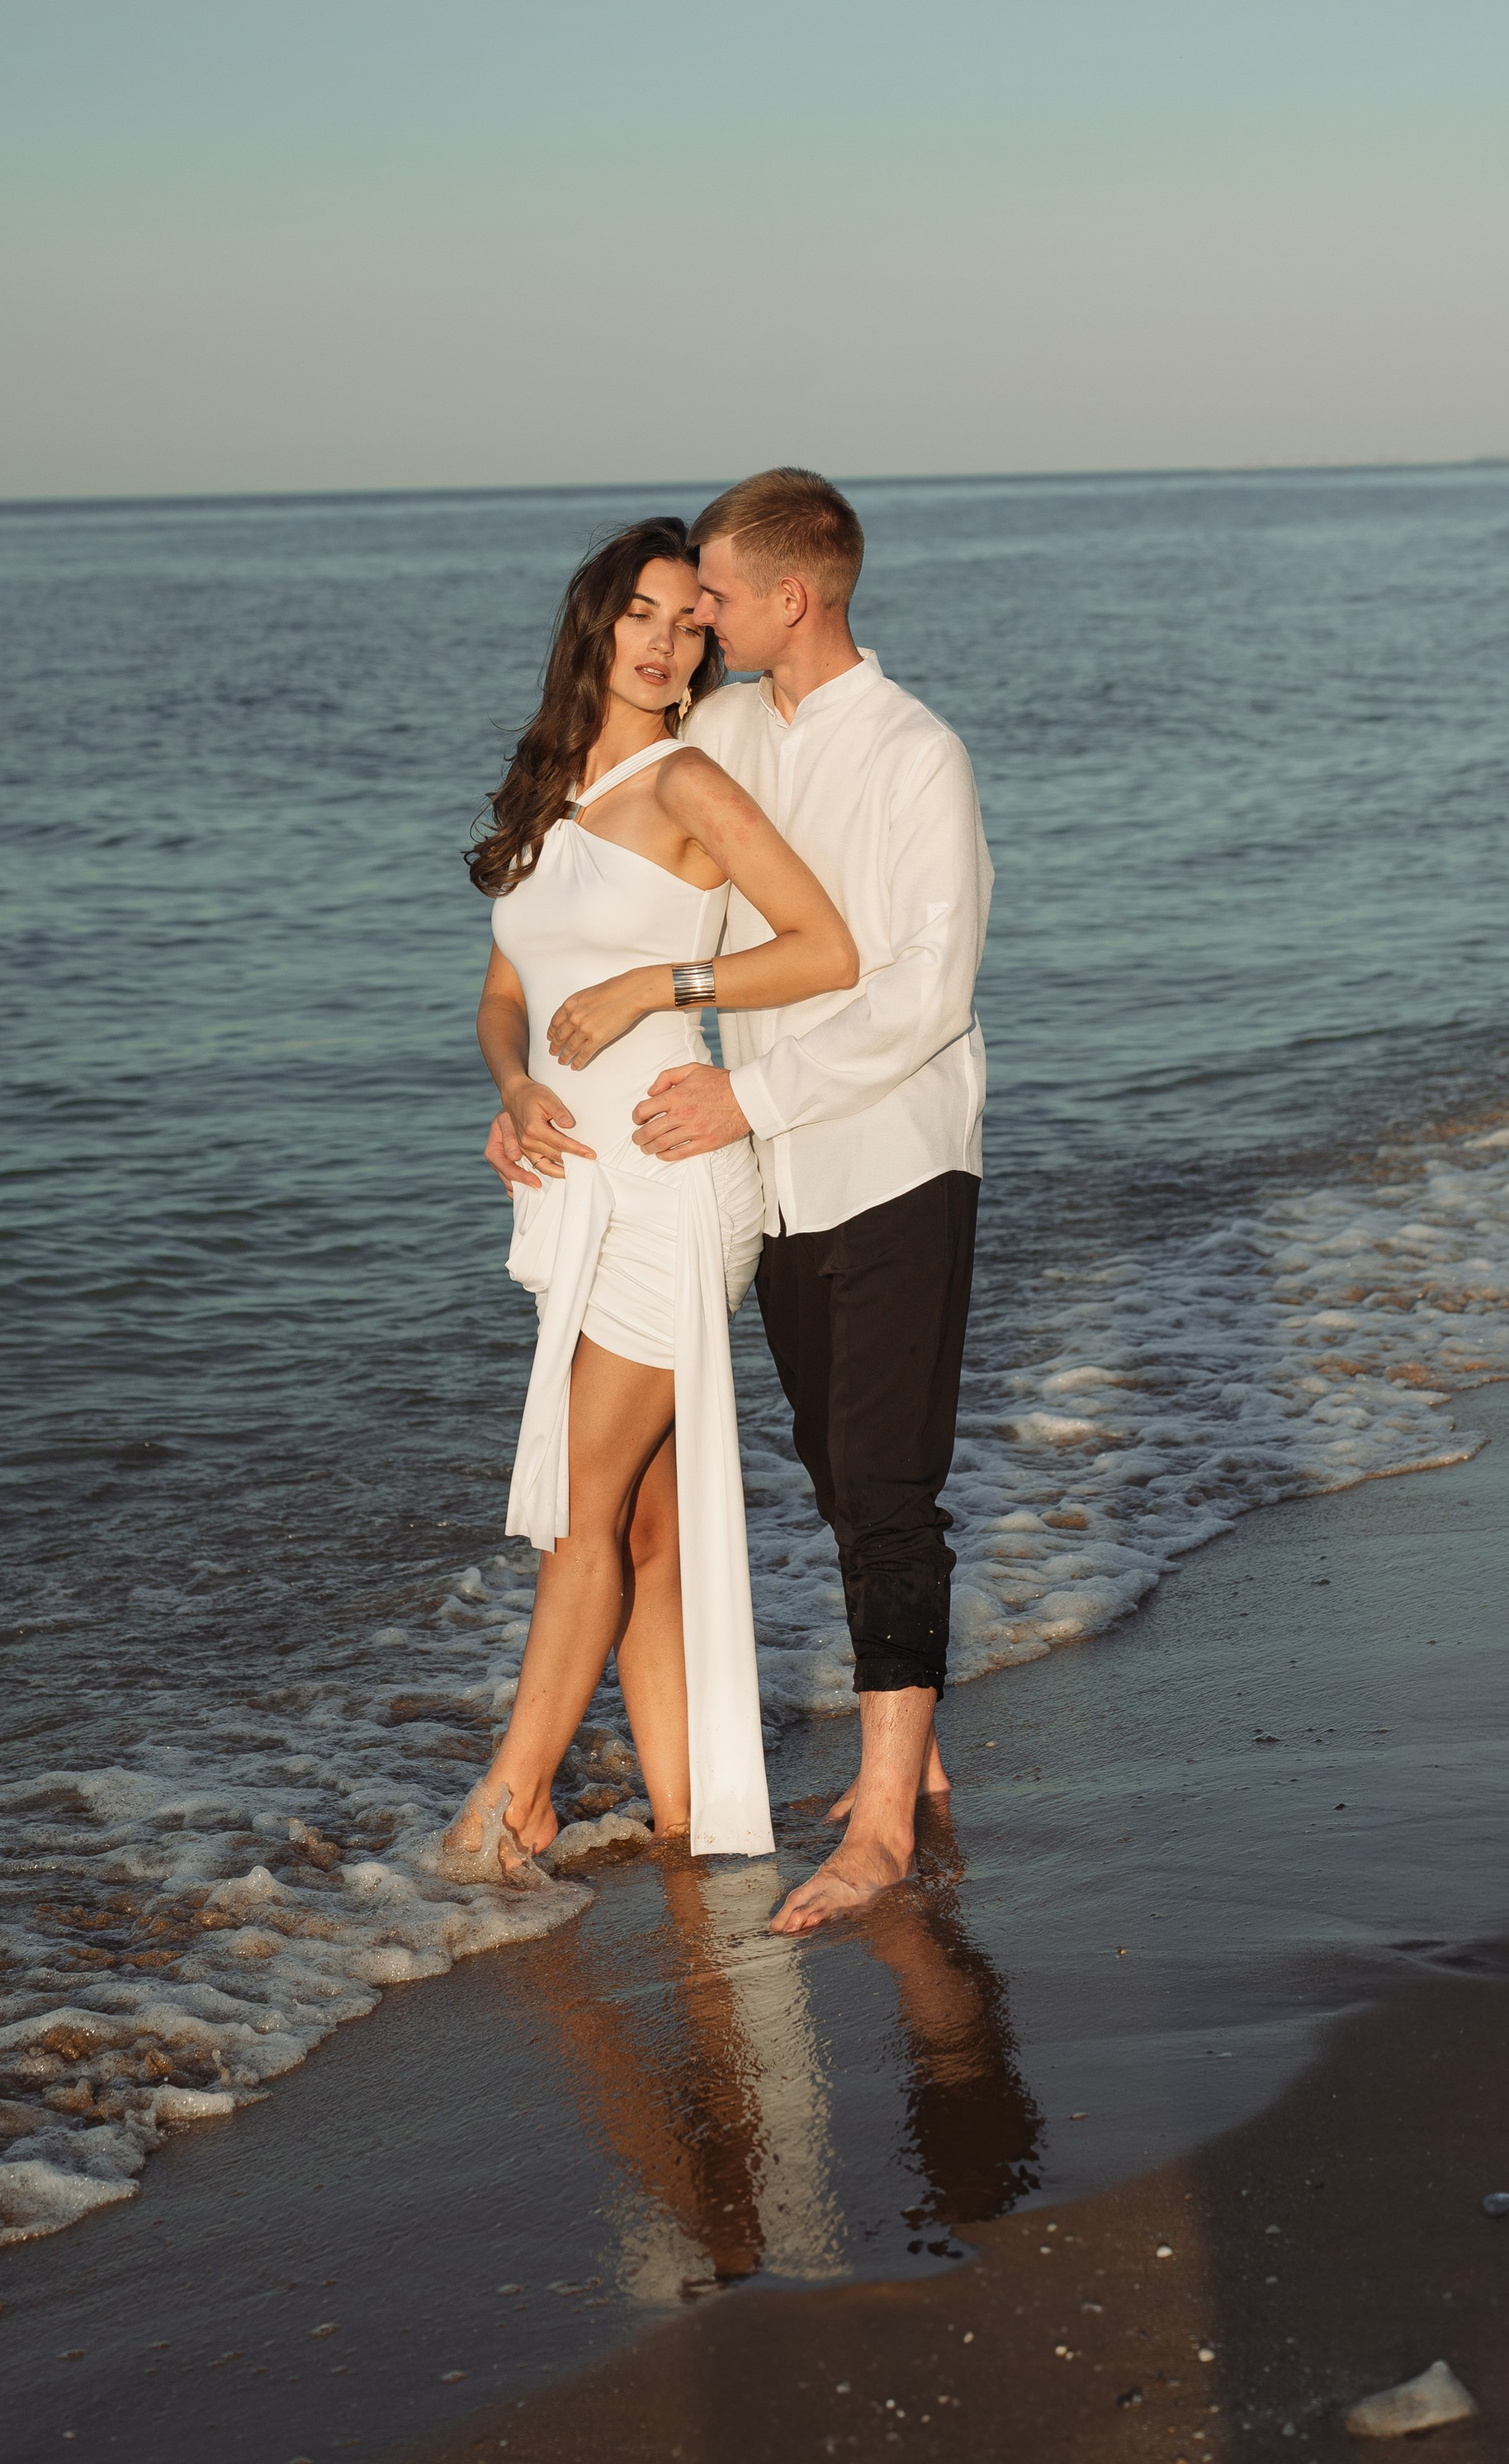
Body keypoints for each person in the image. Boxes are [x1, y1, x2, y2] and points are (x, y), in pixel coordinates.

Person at [452, 518, 858, 1879]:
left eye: (690, 621)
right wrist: (512, 1090)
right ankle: (692, 1814)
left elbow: (825, 948)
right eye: (642, 611)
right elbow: (509, 991)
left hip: (678, 1185)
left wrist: (657, 987)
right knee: (640, 1526)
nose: (664, 639)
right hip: (583, 1190)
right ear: (596, 621)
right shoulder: (548, 788)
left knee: (578, 1506)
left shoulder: (690, 786)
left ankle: (513, 1802)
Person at [629, 469, 991, 1936]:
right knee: (837, 1477)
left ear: (795, 596)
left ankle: (887, 1827)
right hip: (772, 1178)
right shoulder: (717, 732)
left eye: (713, 591)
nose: (698, 616)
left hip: (899, 1154)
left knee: (890, 1488)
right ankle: (914, 1753)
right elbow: (667, 903)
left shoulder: (918, 756)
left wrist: (750, 1094)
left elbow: (927, 992)